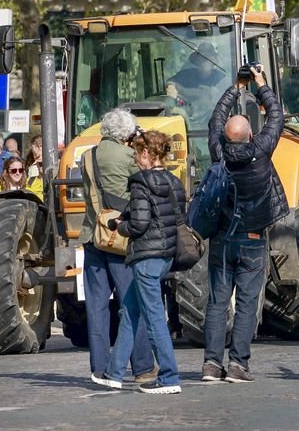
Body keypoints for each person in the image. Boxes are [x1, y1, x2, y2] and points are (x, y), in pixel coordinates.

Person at [202, 63, 288, 384]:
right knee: (247, 304)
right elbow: (276, 118)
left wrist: (236, 87)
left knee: (217, 302)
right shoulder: (260, 151)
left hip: (222, 239)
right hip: (252, 238)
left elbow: (215, 119)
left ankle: (211, 365)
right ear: (251, 133)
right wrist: (261, 84)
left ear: (225, 136)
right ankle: (238, 365)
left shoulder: (218, 152)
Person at [99, 130, 187, 394]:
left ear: (147, 154)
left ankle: (169, 377)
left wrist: (118, 225)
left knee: (153, 318)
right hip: (166, 255)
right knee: (130, 310)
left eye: (137, 153)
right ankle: (114, 373)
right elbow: (176, 216)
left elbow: (138, 224)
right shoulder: (174, 182)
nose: (135, 158)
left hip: (146, 257)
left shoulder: (140, 184)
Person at [80, 108, 155, 387]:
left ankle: (99, 369)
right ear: (126, 133)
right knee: (131, 304)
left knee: (96, 307)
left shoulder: (87, 156)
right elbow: (147, 183)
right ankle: (143, 367)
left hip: (93, 234)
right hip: (122, 238)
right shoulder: (128, 156)